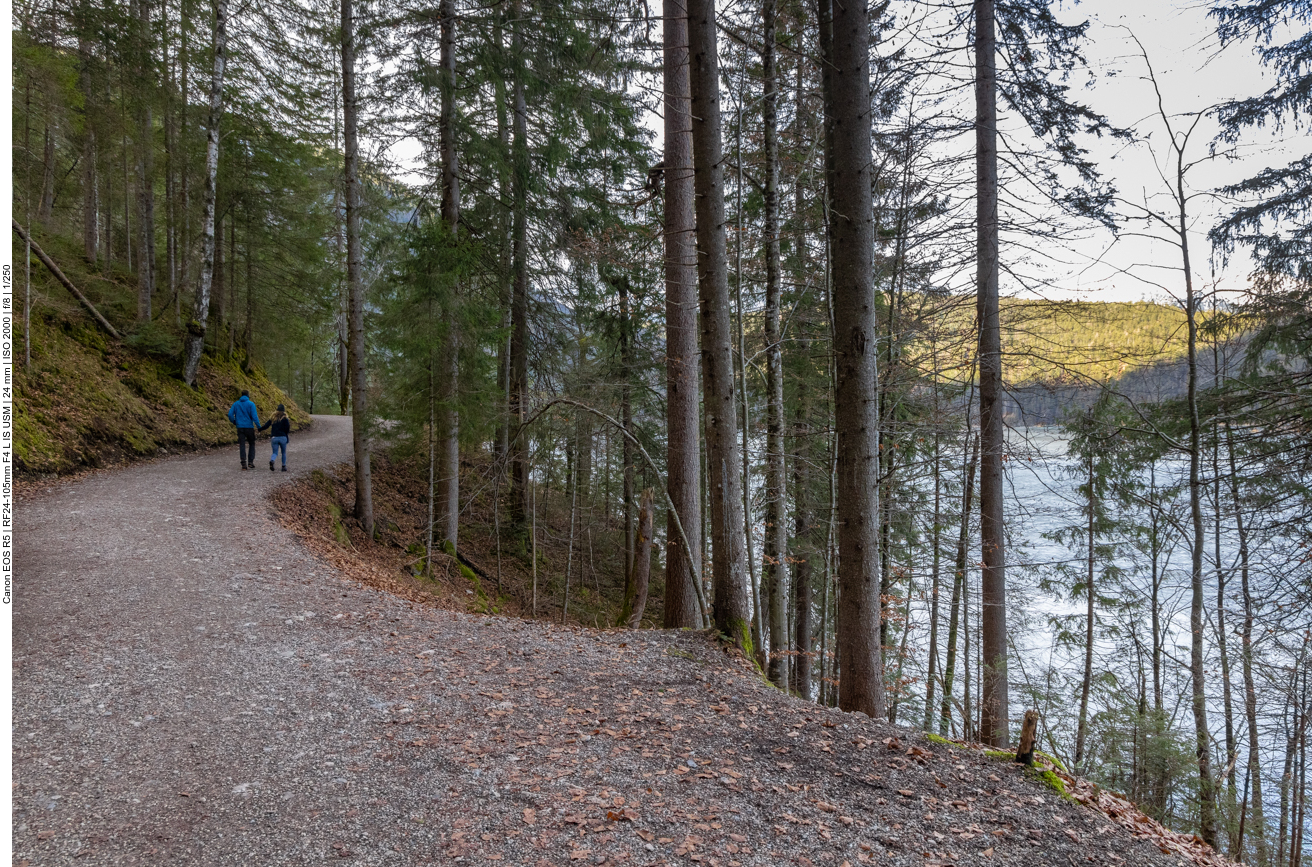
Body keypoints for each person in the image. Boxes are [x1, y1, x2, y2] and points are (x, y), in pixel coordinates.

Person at [226, 390, 262, 470]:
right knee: (251, 444)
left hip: (240, 427)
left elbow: (230, 414)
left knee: (242, 444)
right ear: (248, 395)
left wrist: (234, 422)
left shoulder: (236, 404)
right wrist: (259, 427)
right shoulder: (251, 404)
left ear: (241, 395)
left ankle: (243, 463)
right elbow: (254, 417)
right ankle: (250, 462)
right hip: (249, 427)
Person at [259, 404, 292, 472]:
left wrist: (260, 429)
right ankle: (283, 466)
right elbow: (287, 428)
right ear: (284, 411)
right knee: (283, 452)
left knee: (275, 452)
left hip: (274, 437)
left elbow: (266, 425)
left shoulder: (273, 418)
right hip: (283, 437)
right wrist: (286, 435)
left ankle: (272, 460)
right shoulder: (285, 419)